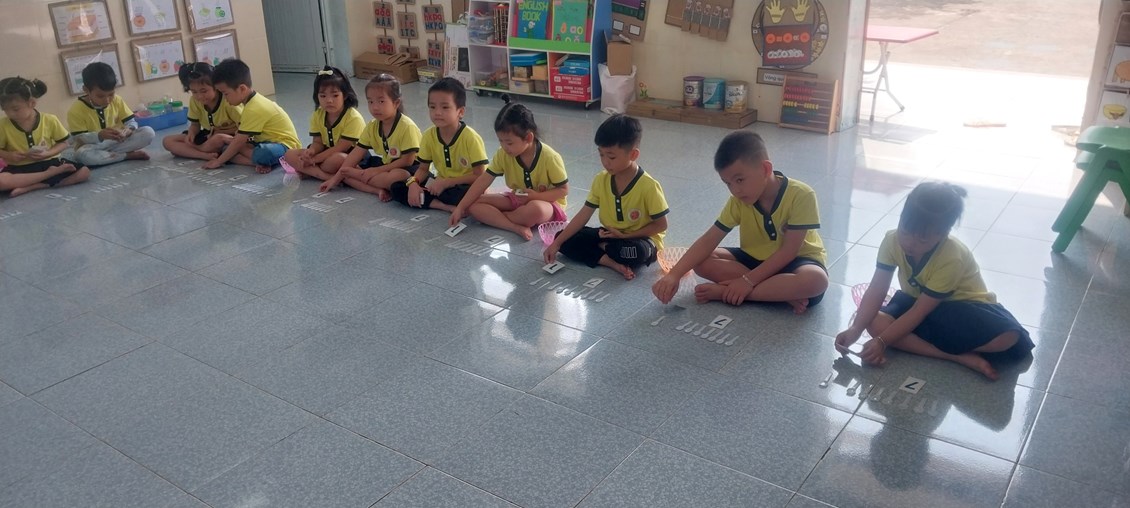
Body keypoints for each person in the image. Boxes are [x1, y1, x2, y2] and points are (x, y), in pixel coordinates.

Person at [835, 182, 1034, 380]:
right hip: (917, 303)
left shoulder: (952, 256)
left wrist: (882, 341)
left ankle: (941, 349)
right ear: (901, 218)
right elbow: (877, 288)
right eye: (905, 231)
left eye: (922, 240)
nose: (909, 243)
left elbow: (920, 312)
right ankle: (957, 356)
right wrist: (856, 329)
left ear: (943, 235)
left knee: (1008, 337)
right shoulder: (891, 240)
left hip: (963, 309)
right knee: (874, 322)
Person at [652, 130, 828, 312]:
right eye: (728, 183)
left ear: (765, 169)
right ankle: (778, 293)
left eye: (740, 180)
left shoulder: (802, 195)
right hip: (753, 259)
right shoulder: (738, 201)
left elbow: (789, 251)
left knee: (816, 281)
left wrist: (747, 281)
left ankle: (729, 292)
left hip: (796, 262)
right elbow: (709, 239)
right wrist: (674, 275)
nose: (735, 190)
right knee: (701, 261)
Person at [544, 114, 668, 280]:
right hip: (609, 235)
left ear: (633, 155)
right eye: (601, 155)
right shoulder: (601, 179)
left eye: (611, 157)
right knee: (562, 238)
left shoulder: (649, 186)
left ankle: (603, 248)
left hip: (639, 239)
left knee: (637, 252)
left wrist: (625, 236)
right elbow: (583, 215)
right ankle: (611, 262)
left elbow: (661, 225)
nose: (605, 162)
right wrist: (556, 244)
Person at [450, 96, 568, 240]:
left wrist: (535, 196)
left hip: (547, 204)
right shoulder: (503, 154)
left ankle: (497, 218)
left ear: (528, 138)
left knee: (535, 210)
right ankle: (514, 226)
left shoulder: (550, 157)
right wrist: (461, 207)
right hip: (517, 198)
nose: (505, 147)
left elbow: (563, 190)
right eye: (501, 141)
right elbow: (483, 180)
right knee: (474, 204)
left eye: (509, 143)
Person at [389, 78, 488, 212]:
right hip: (440, 183)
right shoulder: (429, 135)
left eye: (445, 107)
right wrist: (413, 183)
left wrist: (447, 183)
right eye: (432, 107)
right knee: (397, 187)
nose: (437, 112)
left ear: (460, 112)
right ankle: (443, 206)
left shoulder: (470, 138)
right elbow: (423, 169)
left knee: (464, 194)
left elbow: (480, 177)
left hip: (464, 185)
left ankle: (438, 201)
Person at [319, 73, 421, 198]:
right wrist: (335, 179)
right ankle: (362, 180)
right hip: (385, 166)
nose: (375, 107)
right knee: (341, 163)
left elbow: (407, 161)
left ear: (396, 103)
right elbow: (356, 154)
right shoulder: (372, 126)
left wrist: (374, 171)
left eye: (381, 101)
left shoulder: (407, 126)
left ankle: (355, 176)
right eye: (370, 102)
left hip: (410, 170)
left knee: (399, 176)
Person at [203, 58, 300, 173]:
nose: (224, 98)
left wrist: (219, 161)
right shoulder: (250, 103)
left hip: (284, 146)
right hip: (263, 142)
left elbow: (239, 141)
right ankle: (259, 162)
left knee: (262, 153)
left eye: (226, 93)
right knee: (228, 150)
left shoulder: (254, 108)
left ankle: (261, 160)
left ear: (242, 89)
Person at [0, 77, 89, 196]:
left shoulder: (49, 120)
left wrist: (48, 153)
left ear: (32, 103)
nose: (10, 114)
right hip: (19, 168)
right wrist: (9, 155)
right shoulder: (3, 125)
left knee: (84, 172)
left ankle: (37, 185)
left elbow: (64, 143)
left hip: (48, 162)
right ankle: (49, 175)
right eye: (5, 110)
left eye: (15, 109)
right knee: (2, 181)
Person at [281, 66, 364, 183]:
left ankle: (314, 172)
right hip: (324, 153)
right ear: (317, 96)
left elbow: (342, 147)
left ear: (345, 95)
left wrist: (315, 159)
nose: (329, 100)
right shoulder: (318, 115)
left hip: (348, 156)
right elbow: (318, 142)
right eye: (323, 96)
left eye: (335, 95)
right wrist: (312, 151)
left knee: (336, 160)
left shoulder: (353, 118)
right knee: (289, 154)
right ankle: (326, 177)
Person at [66, 62, 155, 167]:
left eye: (111, 94)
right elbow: (79, 138)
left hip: (118, 142)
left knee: (148, 132)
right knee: (82, 155)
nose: (107, 100)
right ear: (86, 90)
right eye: (100, 96)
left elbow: (131, 122)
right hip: (93, 146)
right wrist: (100, 135)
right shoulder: (76, 110)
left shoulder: (117, 100)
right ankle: (126, 155)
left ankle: (108, 156)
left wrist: (129, 129)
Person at [161, 62, 242, 160]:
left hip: (228, 137)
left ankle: (193, 150)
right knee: (167, 141)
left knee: (219, 139)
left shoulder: (228, 101)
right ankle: (204, 155)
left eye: (204, 91)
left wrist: (220, 131)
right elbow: (195, 124)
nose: (199, 96)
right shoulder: (194, 101)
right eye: (194, 92)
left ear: (215, 86)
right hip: (207, 135)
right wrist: (192, 133)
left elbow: (244, 128)